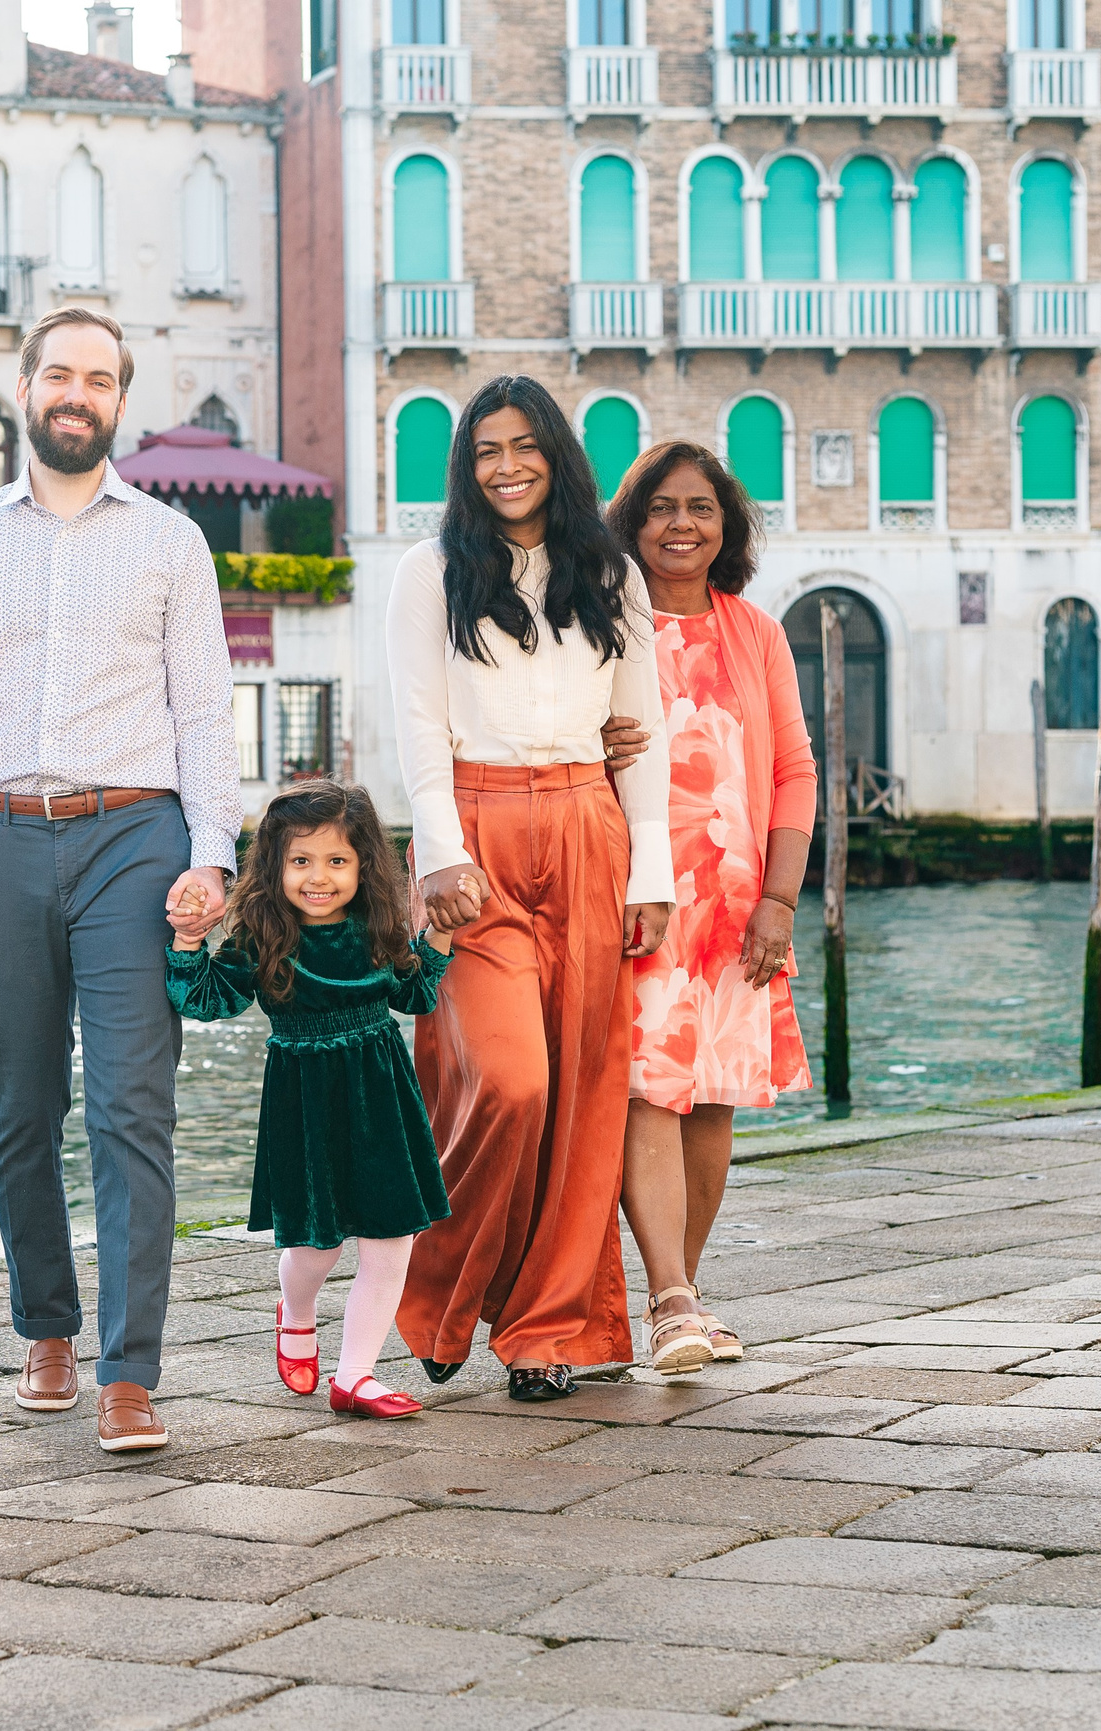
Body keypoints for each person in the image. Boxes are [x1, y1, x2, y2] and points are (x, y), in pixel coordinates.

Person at [0, 307, 242, 1454]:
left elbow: (205, 711)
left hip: (137, 840)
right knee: (17, 1098)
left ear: (120, 402)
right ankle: (46, 1328)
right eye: (58, 374)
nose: (77, 394)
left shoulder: (173, 542)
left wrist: (213, 853)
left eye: (100, 379)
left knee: (134, 1102)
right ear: (25, 390)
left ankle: (130, 1372)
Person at [387, 374, 674, 1404]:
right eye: (484, 452)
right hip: (476, 835)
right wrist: (439, 856)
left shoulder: (610, 573)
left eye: (523, 447)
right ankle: (437, 1296)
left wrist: (654, 874)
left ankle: (550, 1330)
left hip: (591, 829)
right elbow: (417, 728)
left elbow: (641, 726)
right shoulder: (430, 573)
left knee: (588, 1096)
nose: (505, 467)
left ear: (556, 452)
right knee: (508, 1084)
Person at [604, 440, 814, 1373]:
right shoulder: (603, 624)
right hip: (640, 898)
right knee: (650, 1089)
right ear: (631, 521)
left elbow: (793, 771)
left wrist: (779, 898)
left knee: (715, 1104)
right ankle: (672, 1298)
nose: (679, 524)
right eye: (660, 507)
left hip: (736, 907)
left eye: (699, 508)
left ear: (725, 525)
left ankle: (675, 1298)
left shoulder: (757, 632)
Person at [165, 781, 454, 1417]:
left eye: (336, 861)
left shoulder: (376, 928)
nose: (318, 877)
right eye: (301, 861)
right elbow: (205, 1000)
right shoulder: (264, 937)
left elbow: (416, 996)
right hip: (305, 1095)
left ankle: (355, 1376)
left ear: (363, 865)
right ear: (274, 865)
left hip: (382, 1092)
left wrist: (437, 939)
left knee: (391, 1237)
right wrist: (188, 944)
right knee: (317, 1245)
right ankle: (295, 1313)